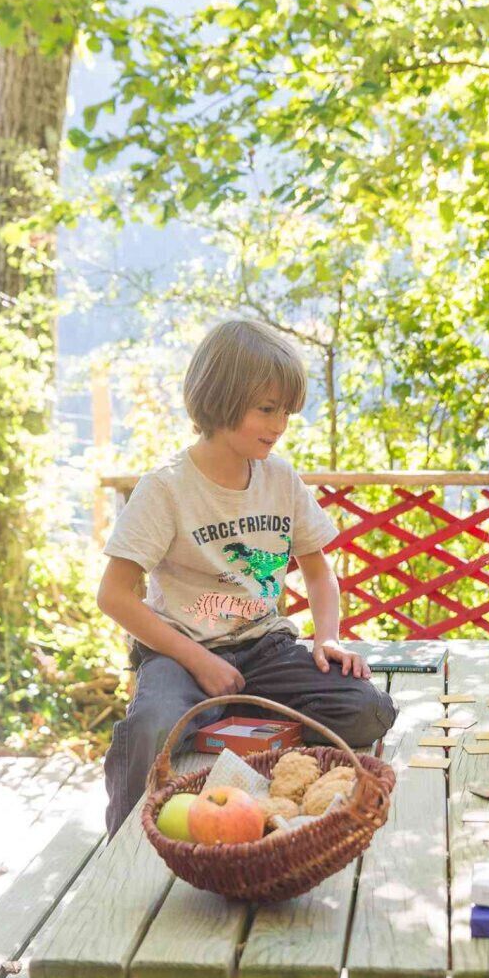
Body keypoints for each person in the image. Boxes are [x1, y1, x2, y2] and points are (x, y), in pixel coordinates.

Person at [98, 318, 398, 834]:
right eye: (267, 408)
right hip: (181, 653)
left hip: (265, 649)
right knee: (152, 726)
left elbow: (319, 574)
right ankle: (125, 841)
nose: (280, 423)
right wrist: (197, 661)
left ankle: (226, 728)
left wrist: (328, 639)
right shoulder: (166, 488)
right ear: (220, 397)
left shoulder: (280, 478)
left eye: (286, 411)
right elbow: (114, 597)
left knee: (369, 710)